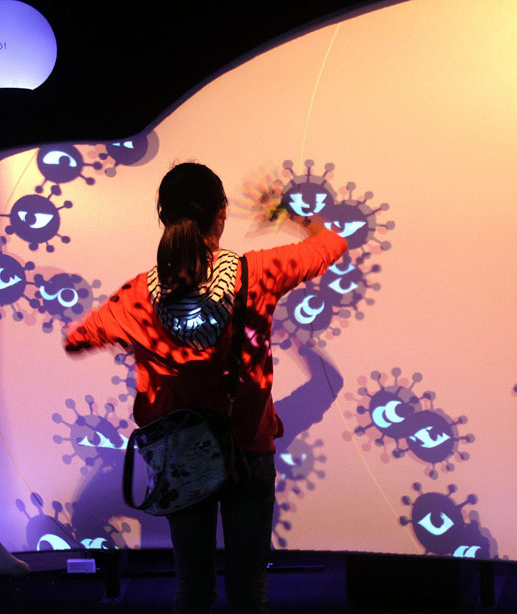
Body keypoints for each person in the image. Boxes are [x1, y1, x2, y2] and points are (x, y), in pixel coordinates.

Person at [63, 161, 347, 613]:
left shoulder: (137, 296)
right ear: (222, 215)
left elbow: (77, 339)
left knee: (192, 590)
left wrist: (143, 349)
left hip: (179, 457)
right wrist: (294, 213)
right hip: (248, 451)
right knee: (248, 593)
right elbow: (331, 245)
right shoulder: (258, 274)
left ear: (163, 217)